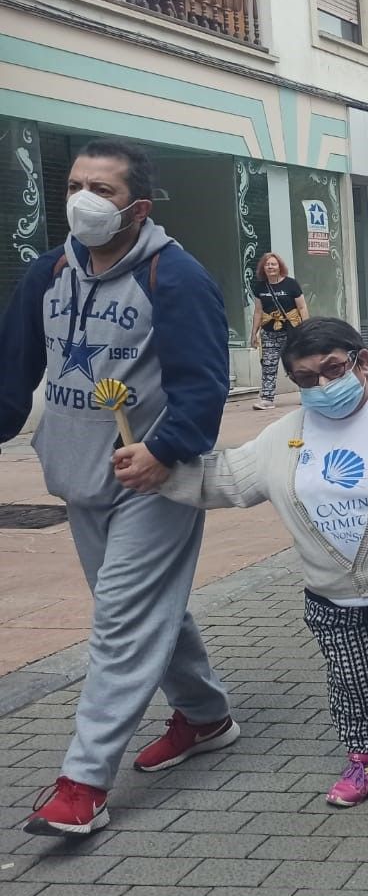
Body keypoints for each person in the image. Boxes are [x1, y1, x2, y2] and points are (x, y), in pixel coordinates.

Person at [150, 319, 368, 805]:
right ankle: (367, 755)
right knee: (352, 679)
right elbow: (228, 477)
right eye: (306, 378)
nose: (323, 385)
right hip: (332, 589)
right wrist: (157, 473)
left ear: (362, 360)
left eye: (333, 369)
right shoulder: (283, 435)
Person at [0, 138, 235, 837]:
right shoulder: (45, 273)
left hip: (155, 481)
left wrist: (164, 450)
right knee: (140, 606)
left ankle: (83, 782)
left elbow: (205, 385)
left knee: (120, 621)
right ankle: (205, 714)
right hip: (77, 476)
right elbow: (12, 377)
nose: (84, 200)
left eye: (102, 189)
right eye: (76, 184)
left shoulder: (177, 276)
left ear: (139, 206)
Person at [248, 252, 307, 411]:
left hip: (292, 332)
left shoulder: (291, 284)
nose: (270, 267)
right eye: (267, 264)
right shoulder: (260, 287)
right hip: (269, 333)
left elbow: (302, 307)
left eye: (273, 264)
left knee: (297, 364)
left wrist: (306, 328)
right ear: (263, 268)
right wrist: (254, 333)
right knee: (268, 365)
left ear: (280, 266)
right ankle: (267, 399)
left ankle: (307, 394)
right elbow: (258, 311)